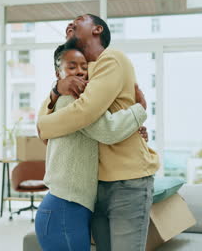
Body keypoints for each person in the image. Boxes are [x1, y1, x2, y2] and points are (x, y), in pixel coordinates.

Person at [38, 14, 160, 251]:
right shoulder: (82, 71)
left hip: (127, 179)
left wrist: (45, 126)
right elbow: (63, 113)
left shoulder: (110, 59)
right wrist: (55, 91)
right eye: (73, 67)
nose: (71, 23)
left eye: (79, 20)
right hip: (98, 185)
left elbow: (85, 115)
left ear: (97, 30)